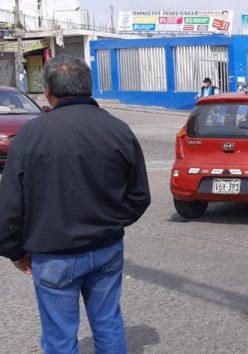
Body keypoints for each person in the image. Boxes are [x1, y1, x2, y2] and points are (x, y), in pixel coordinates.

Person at [0, 55, 151, 353]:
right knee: (108, 324)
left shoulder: (31, 134)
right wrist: (112, 222)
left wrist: (15, 250)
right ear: (89, 87)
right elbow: (139, 196)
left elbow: (9, 206)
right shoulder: (118, 129)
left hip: (53, 253)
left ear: (48, 91)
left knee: (59, 337)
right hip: (106, 248)